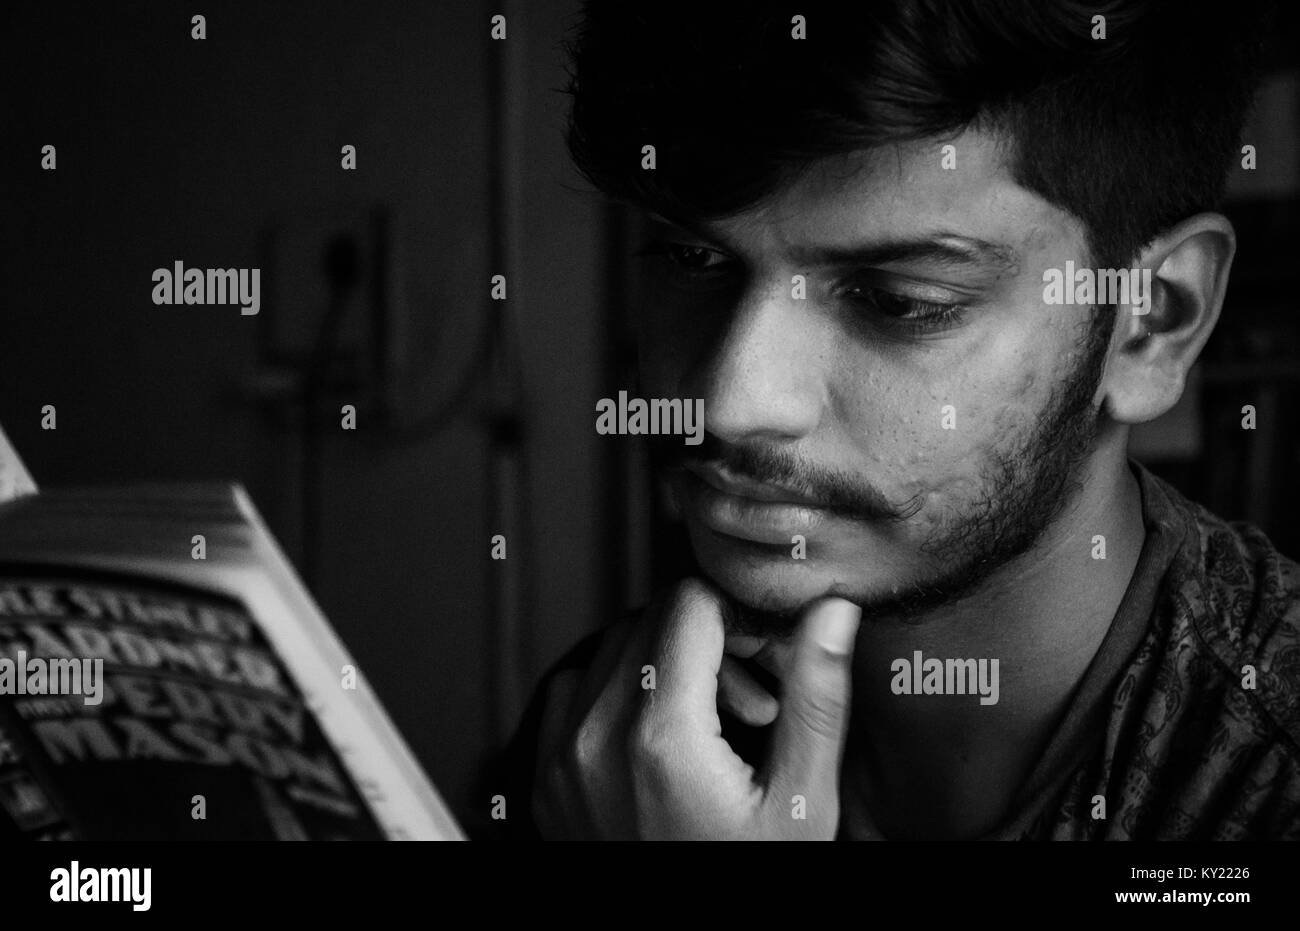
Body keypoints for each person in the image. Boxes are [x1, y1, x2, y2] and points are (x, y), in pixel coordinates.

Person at [493, 0, 1298, 840]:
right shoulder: (607, 748)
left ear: (1150, 321)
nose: (730, 402)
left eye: (898, 301)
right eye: (694, 259)